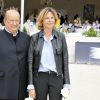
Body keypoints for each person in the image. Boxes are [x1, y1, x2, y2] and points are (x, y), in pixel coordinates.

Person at [27, 7, 70, 100]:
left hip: (56, 77)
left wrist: (67, 84)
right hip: (39, 77)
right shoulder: (34, 38)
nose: (50, 20)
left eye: (52, 18)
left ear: (55, 20)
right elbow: (30, 62)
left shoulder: (61, 37)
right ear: (42, 20)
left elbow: (65, 61)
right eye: (47, 18)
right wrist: (30, 85)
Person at [0, 7, 30, 100]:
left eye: (17, 20)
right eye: (11, 20)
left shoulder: (26, 38)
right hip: (3, 85)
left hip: (21, 88)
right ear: (5, 21)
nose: (14, 23)